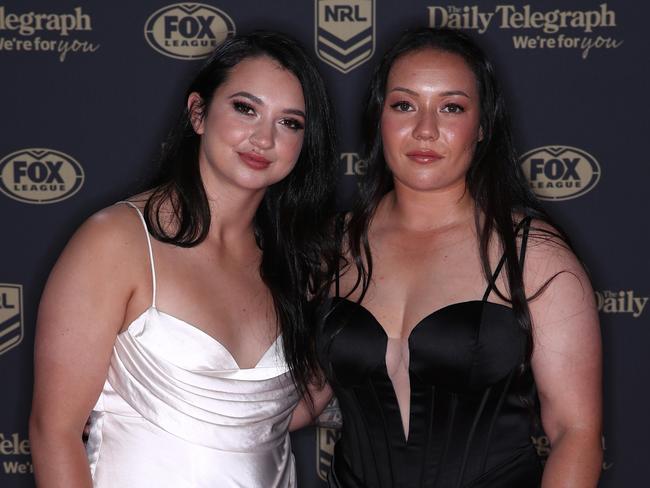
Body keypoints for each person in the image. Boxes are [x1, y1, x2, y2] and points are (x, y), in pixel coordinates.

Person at [29, 31, 337, 488]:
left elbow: (275, 414)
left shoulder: (300, 263)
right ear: (198, 113)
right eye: (245, 108)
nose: (263, 137)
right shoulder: (116, 242)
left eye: (289, 123)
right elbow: (53, 433)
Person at [308, 27, 602, 487]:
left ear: (482, 126)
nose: (426, 129)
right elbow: (297, 400)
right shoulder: (332, 247)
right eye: (404, 105)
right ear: (378, 118)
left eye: (451, 107)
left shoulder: (534, 255)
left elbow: (575, 432)